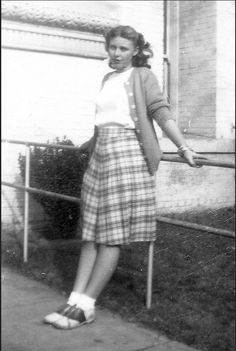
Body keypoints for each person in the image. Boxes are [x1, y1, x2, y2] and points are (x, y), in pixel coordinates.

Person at [43, 25, 205, 330]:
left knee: (111, 236)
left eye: (123, 49)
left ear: (135, 51)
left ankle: (87, 306)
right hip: (100, 158)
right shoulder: (108, 78)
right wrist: (91, 144)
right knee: (91, 232)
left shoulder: (142, 76)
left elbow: (160, 111)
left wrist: (184, 147)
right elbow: (105, 120)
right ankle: (74, 300)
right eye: (113, 47)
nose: (116, 54)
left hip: (127, 158)